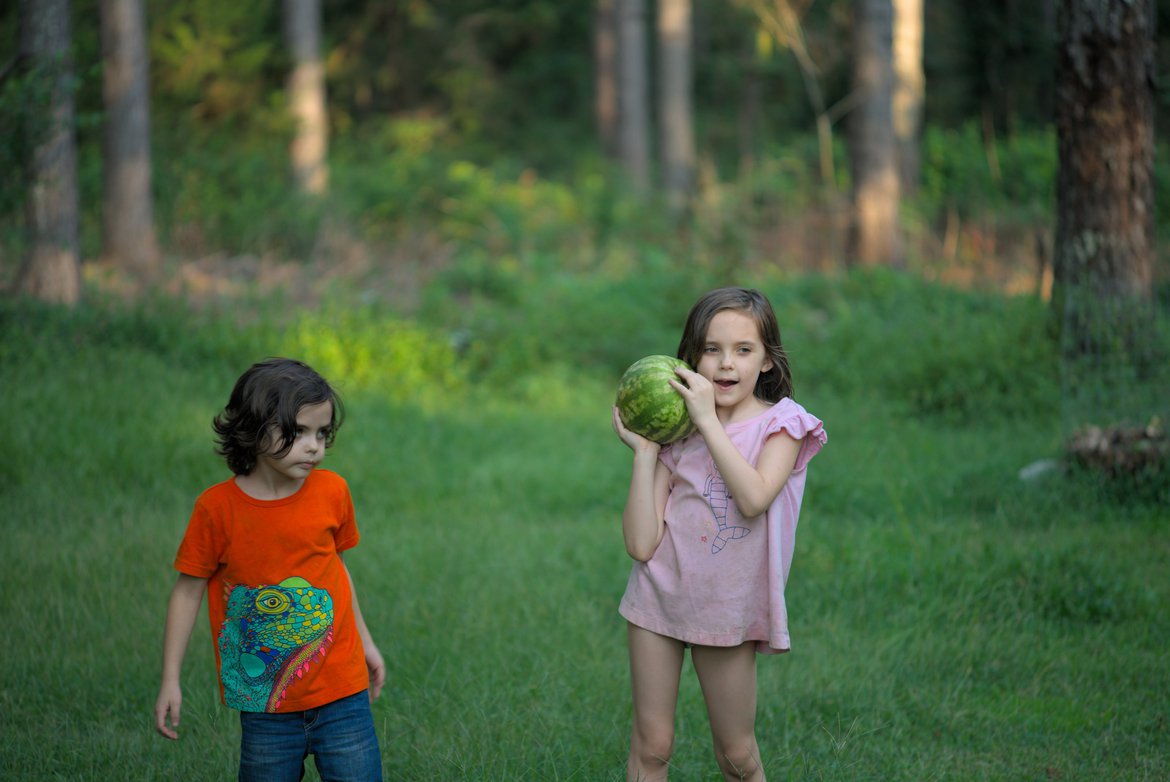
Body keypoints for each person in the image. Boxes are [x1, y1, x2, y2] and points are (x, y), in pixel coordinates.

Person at [612, 287, 827, 782]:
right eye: (712, 349)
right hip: (657, 603)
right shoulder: (678, 431)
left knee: (736, 755)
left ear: (768, 361)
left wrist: (708, 421)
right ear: (692, 357)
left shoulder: (783, 425)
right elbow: (641, 545)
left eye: (743, 350)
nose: (725, 364)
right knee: (652, 748)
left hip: (727, 609)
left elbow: (753, 499)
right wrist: (646, 454)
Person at [154, 357, 386, 782]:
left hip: (342, 690)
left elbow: (336, 571)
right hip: (265, 705)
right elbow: (188, 591)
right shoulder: (217, 509)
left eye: (322, 433)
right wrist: (171, 679)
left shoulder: (332, 492)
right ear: (254, 428)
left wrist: (366, 643)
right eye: (298, 432)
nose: (314, 445)